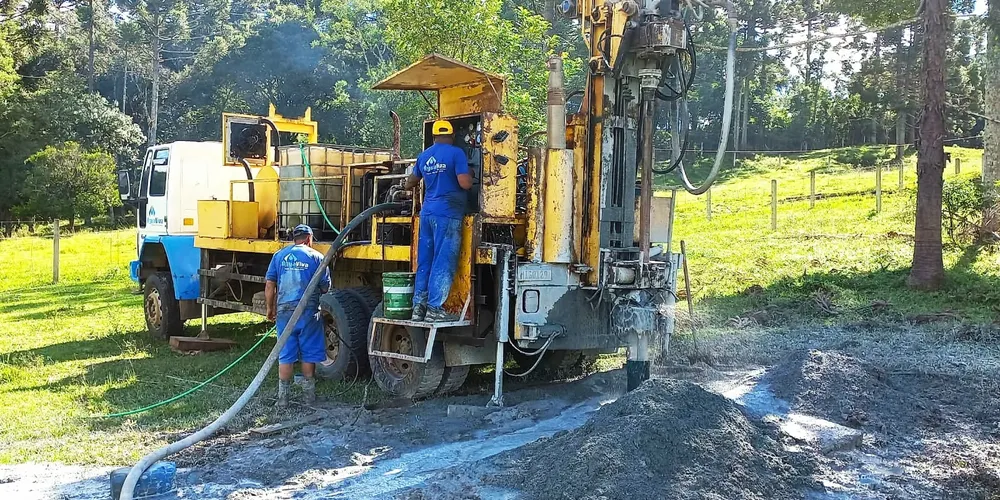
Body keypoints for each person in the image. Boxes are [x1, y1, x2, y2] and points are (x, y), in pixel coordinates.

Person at [404, 120, 472, 322]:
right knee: (443, 261)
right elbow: (465, 184)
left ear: (433, 136)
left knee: (425, 261)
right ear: (452, 135)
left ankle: (418, 308)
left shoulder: (424, 156)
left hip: (427, 214)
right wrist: (470, 174)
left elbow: (410, 183)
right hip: (448, 214)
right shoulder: (456, 153)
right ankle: (434, 309)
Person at [265, 224, 331, 407]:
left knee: (285, 353)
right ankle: (309, 398)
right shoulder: (318, 257)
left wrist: (270, 310)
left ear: (294, 238)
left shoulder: (279, 256)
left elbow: (270, 285)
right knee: (309, 353)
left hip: (285, 310)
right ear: (309, 238)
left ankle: (283, 400)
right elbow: (325, 287)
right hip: (308, 312)